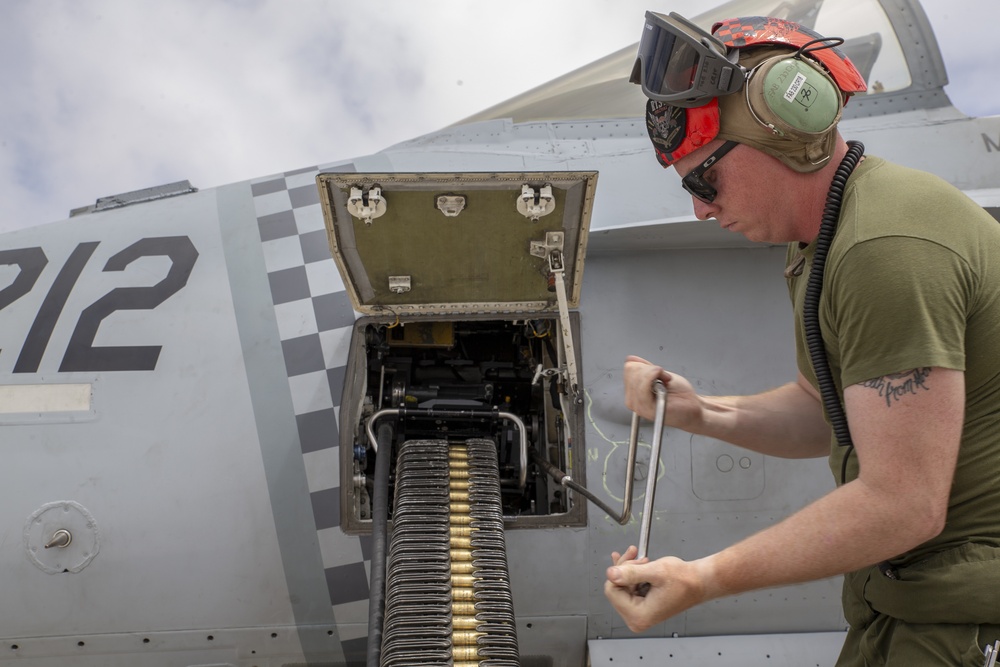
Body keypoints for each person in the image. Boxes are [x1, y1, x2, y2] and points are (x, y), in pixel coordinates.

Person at [604, 11, 1000, 666]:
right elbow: (824, 410)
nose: (700, 208)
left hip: (969, 616)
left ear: (789, 133)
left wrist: (704, 578)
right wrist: (702, 412)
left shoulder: (885, 247)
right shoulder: (826, 239)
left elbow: (904, 504)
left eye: (704, 179)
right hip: (914, 603)